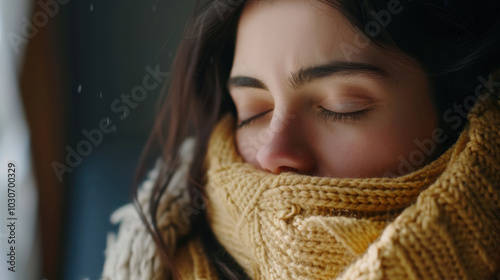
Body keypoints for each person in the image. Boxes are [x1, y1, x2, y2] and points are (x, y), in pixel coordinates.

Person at [102, 0, 500, 279]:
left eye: (342, 106)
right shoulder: (165, 262)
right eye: (254, 111)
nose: (274, 152)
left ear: (458, 112)